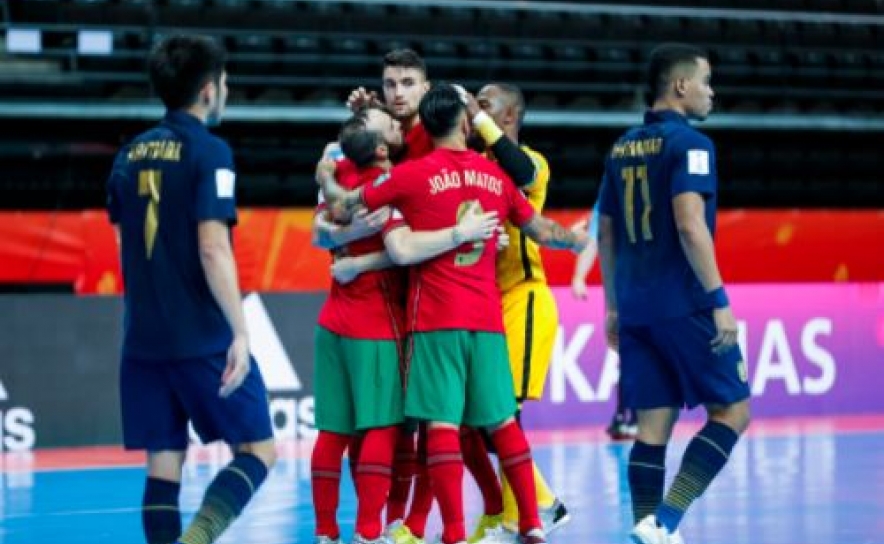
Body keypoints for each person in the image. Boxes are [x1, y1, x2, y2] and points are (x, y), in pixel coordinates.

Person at [320, 83, 588, 544]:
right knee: (503, 423)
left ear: (427, 126)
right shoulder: (495, 175)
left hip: (435, 320)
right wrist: (574, 239)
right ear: (465, 124)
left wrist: (326, 172)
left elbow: (345, 207)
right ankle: (532, 523)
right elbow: (541, 229)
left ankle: (456, 534)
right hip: (487, 320)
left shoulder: (411, 175)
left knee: (441, 428)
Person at [105, 35, 276, 544]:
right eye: (223, 82)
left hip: (143, 340)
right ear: (208, 90)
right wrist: (240, 333)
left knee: (164, 462)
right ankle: (198, 538)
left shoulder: (127, 155)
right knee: (258, 451)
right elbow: (213, 248)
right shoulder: (210, 151)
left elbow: (124, 241)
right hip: (201, 337)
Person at [310, 106, 500, 544]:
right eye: (391, 127)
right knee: (382, 427)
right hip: (376, 321)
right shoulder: (392, 182)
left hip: (332, 318)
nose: (401, 128)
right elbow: (402, 249)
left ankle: (325, 532)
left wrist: (344, 243)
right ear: (379, 146)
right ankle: (370, 530)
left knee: (333, 432)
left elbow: (321, 228)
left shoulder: (336, 173)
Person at [596, 43, 751, 544]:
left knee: (651, 430)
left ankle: (646, 530)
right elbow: (690, 226)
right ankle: (664, 521)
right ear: (680, 86)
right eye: (706, 80)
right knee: (733, 412)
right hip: (684, 303)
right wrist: (719, 301)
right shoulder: (691, 145)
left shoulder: (621, 147)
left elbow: (606, 233)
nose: (712, 91)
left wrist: (613, 307)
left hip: (636, 308)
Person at [460, 83, 571, 541]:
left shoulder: (533, 163)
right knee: (478, 419)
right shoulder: (474, 167)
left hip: (524, 298)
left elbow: (522, 173)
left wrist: (475, 115)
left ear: (508, 118)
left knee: (501, 414)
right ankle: (542, 503)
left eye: (484, 106)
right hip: (484, 303)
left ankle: (522, 513)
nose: (473, 112)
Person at [571, 200, 638, 441]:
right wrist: (579, 277)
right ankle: (627, 416)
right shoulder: (609, 196)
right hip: (623, 289)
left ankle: (631, 415)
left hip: (647, 284)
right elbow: (593, 240)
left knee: (639, 354)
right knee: (630, 352)